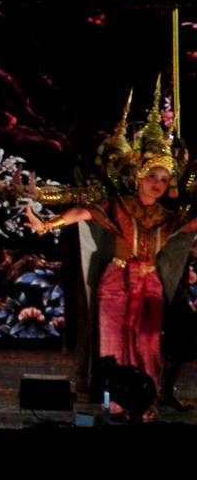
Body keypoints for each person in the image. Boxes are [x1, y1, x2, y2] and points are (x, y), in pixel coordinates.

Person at [14, 83, 197, 421]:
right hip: (115, 282)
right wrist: (47, 225)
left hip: (150, 285)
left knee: (147, 347)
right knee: (113, 346)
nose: (156, 183)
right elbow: (82, 212)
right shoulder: (118, 206)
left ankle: (145, 402)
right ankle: (115, 404)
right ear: (140, 176)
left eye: (163, 179)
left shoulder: (167, 218)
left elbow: (193, 225)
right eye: (151, 176)